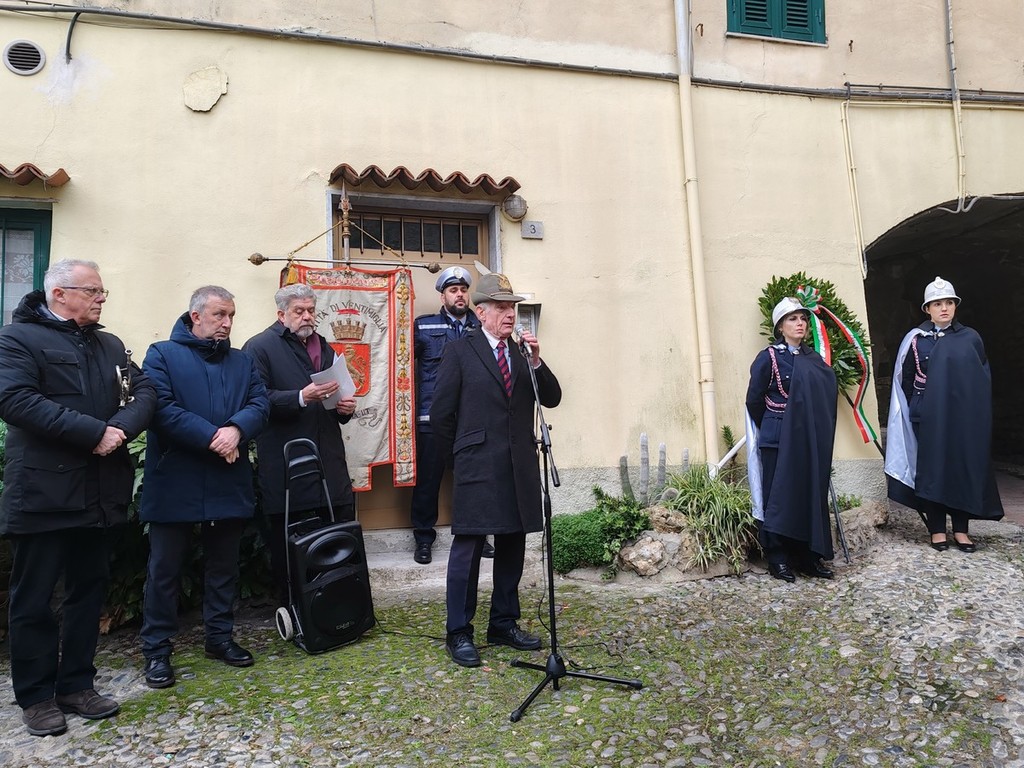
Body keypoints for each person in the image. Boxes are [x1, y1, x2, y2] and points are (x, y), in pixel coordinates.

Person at [0, 259, 156, 736]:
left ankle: (77, 685)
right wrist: (94, 433)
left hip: (100, 491)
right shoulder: (17, 339)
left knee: (88, 592)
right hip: (44, 493)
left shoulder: (110, 345)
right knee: (35, 598)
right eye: (92, 290)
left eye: (102, 291)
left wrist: (119, 430)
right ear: (59, 294)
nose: (101, 298)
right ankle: (36, 697)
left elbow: (146, 392)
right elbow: (15, 400)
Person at [139, 286, 270, 689]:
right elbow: (161, 409)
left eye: (231, 315)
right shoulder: (161, 354)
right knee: (164, 570)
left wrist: (237, 430)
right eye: (219, 315)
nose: (227, 323)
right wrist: (215, 437)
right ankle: (157, 650)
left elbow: (259, 404)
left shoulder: (242, 360)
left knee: (223, 567)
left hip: (227, 479)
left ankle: (219, 638)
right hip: (175, 478)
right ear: (195, 316)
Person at [430, 273, 561, 667]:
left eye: (512, 307)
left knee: (512, 545)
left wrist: (536, 361)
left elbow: (552, 398)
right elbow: (441, 415)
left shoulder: (521, 353)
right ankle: (459, 631)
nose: (510, 314)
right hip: (476, 465)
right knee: (468, 549)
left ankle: (503, 623)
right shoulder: (459, 351)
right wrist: (460, 458)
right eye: (502, 307)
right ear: (481, 312)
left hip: (518, 465)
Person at [242, 283, 357, 604]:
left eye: (311, 310)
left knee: (337, 537)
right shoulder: (259, 347)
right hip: (287, 464)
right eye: (299, 311)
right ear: (281, 315)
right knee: (292, 547)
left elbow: (335, 396)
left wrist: (345, 408)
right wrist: (300, 397)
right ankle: (294, 609)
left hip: (329, 461)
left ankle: (339, 605)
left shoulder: (324, 346)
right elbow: (255, 400)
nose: (307, 317)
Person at [885, 276, 1003, 551]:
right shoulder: (916, 339)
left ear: (955, 306)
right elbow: (905, 379)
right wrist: (920, 406)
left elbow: (980, 378)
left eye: (949, 302)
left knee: (960, 467)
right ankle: (937, 529)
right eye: (937, 304)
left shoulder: (970, 338)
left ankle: (961, 530)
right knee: (932, 470)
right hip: (926, 414)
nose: (944, 308)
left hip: (961, 415)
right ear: (927, 309)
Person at [744, 296, 837, 583]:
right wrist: (774, 424)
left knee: (807, 492)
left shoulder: (814, 359)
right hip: (778, 436)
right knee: (778, 497)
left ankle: (807, 556)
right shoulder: (769, 357)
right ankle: (778, 557)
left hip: (806, 436)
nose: (799, 323)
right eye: (792, 319)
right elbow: (754, 400)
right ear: (780, 327)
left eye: (803, 319)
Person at [409, 265, 491, 565]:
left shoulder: (483, 328)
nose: (460, 295)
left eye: (464, 290)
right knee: (427, 481)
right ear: (442, 296)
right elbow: (400, 363)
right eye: (453, 290)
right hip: (432, 417)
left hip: (471, 419)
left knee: (472, 480)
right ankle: (423, 539)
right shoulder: (423, 326)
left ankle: (477, 536)